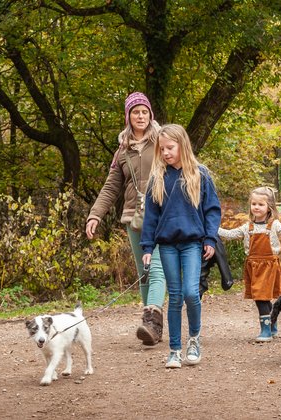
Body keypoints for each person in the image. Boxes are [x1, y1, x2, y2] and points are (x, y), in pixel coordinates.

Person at [85, 92, 166, 346]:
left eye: (144, 111)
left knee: (157, 266)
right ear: (128, 116)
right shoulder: (122, 150)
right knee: (144, 271)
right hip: (134, 216)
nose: (140, 116)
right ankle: (151, 324)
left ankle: (152, 318)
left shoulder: (163, 142)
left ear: (150, 114)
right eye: (135, 112)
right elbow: (111, 187)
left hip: (162, 214)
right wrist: (95, 215)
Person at [139, 124, 222, 369]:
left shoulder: (200, 174)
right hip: (166, 245)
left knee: (190, 293)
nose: (165, 153)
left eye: (170, 148)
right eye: (161, 149)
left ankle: (194, 339)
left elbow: (212, 210)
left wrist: (210, 239)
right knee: (174, 296)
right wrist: (146, 247)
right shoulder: (157, 178)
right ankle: (174, 349)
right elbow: (150, 217)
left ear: (182, 146)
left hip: (192, 244)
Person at [219, 187, 281, 342]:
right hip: (253, 267)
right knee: (262, 298)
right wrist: (213, 228)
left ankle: (266, 330)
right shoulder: (248, 227)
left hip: (270, 266)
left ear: (269, 208)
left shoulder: (274, 225)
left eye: (261, 204)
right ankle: (272, 326)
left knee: (261, 298)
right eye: (254, 204)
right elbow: (230, 234)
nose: (256, 207)